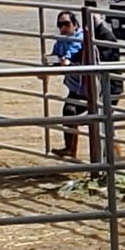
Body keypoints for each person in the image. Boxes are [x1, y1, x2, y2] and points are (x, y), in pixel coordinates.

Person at [43, 10, 88, 162]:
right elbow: (56, 57)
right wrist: (48, 62)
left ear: (75, 24)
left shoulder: (79, 38)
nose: (63, 27)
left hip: (90, 88)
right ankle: (70, 149)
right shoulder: (61, 41)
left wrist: (66, 61)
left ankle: (72, 149)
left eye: (66, 24)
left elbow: (71, 52)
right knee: (69, 113)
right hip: (77, 88)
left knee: (72, 113)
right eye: (60, 24)